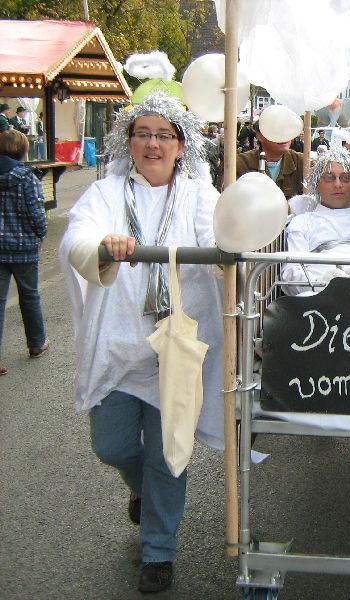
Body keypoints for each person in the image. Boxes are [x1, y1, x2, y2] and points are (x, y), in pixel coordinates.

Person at [59, 92, 223, 594]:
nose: (153, 144)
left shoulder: (199, 195)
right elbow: (76, 237)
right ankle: (145, 493)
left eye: (164, 135)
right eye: (143, 134)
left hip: (178, 346)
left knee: (168, 452)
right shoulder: (106, 192)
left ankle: (158, 551)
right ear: (128, 142)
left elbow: (219, 239)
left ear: (181, 145)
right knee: (111, 446)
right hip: (119, 343)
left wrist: (229, 248)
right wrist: (102, 246)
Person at [282, 146, 350, 296]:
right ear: (317, 183)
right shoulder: (303, 222)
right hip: (316, 299)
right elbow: (290, 272)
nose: (338, 184)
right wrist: (321, 285)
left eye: (345, 177)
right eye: (329, 178)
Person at [0, 129, 48, 376]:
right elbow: (37, 213)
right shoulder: (27, 177)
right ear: (23, 151)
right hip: (24, 248)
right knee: (29, 296)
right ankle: (36, 343)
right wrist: (41, 233)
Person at [235, 118, 304, 199]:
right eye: (277, 131)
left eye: (287, 131)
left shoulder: (302, 162)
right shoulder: (240, 164)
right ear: (260, 136)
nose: (284, 136)